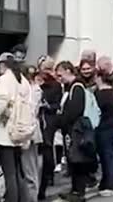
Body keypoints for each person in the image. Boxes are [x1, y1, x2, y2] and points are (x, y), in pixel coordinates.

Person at [0, 53, 34, 202]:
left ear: (2, 65)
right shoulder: (23, 81)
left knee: (9, 173)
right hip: (20, 131)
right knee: (18, 171)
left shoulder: (4, 79)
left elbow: (1, 101)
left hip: (6, 132)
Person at [55, 61, 97, 202]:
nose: (59, 78)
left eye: (60, 75)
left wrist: (63, 120)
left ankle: (79, 192)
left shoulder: (77, 87)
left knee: (78, 159)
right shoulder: (70, 87)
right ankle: (75, 190)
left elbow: (75, 110)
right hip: (71, 130)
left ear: (68, 70)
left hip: (76, 130)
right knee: (73, 159)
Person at [36, 56, 63, 200]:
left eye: (50, 69)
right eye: (45, 68)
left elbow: (57, 105)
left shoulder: (55, 85)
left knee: (47, 157)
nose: (48, 72)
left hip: (48, 123)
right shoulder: (34, 82)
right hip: (35, 122)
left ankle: (43, 187)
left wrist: (48, 106)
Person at [94, 70, 113, 197]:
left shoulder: (99, 94)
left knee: (106, 158)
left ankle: (112, 185)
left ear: (99, 78)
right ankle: (107, 183)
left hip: (104, 128)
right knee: (112, 156)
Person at [22, 67, 44, 202]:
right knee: (28, 169)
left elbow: (30, 111)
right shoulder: (30, 90)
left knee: (30, 170)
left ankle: (32, 198)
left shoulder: (34, 90)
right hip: (25, 132)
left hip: (30, 132)